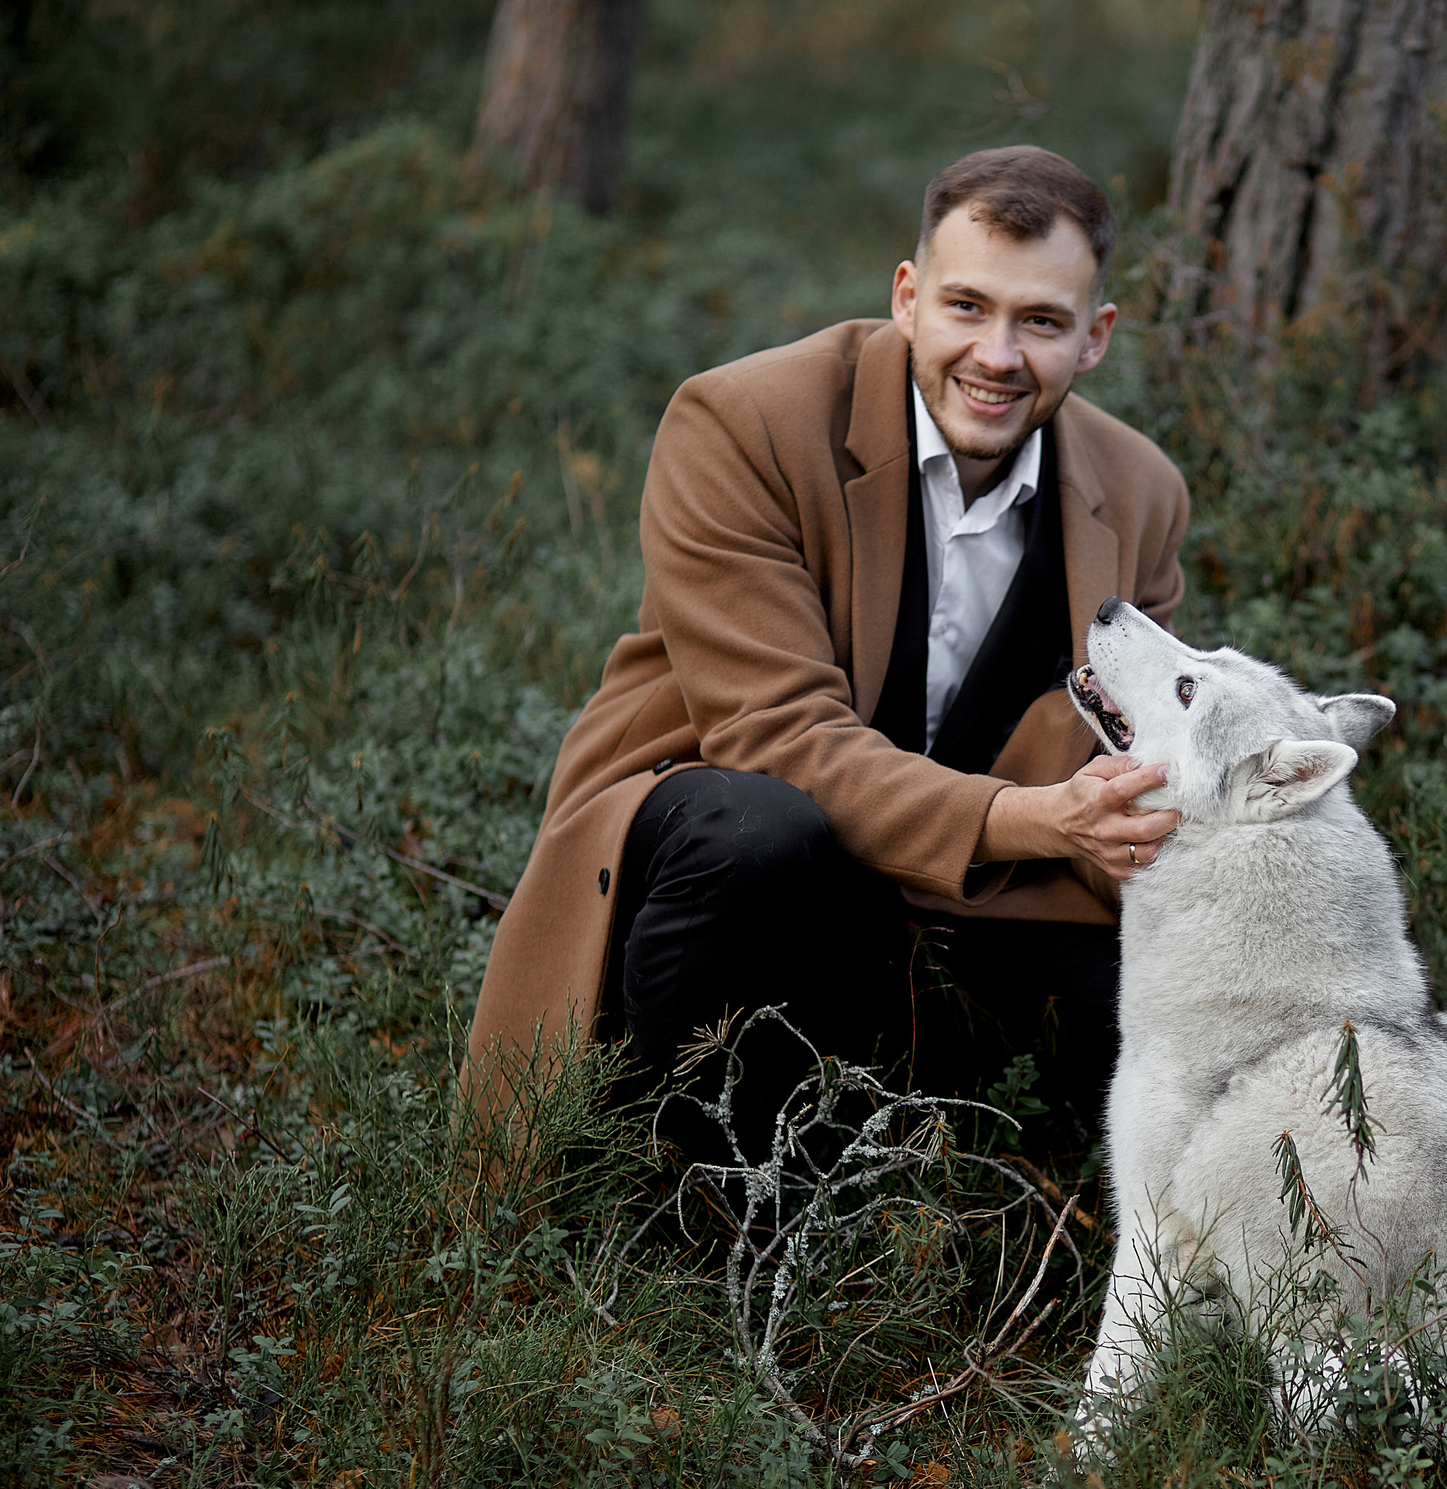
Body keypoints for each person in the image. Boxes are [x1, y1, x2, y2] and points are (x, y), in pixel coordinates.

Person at [465, 146, 1188, 1166]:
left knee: (1143, 1005)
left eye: (1040, 321)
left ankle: (969, 1191)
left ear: (1095, 337)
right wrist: (1032, 817)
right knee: (759, 832)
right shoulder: (744, 420)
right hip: (730, 815)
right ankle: (636, 1162)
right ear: (906, 296)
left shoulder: (1141, 492)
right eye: (965, 307)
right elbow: (777, 738)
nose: (995, 354)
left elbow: (1134, 746)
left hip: (978, 884)